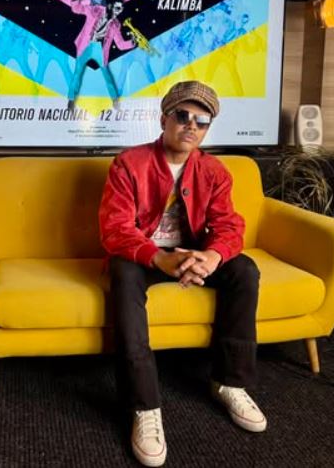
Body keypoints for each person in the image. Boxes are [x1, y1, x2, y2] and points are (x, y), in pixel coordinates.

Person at [99, 80, 266, 467]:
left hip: (192, 253)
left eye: (201, 121)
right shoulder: (129, 164)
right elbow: (115, 229)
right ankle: (143, 406)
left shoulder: (214, 171)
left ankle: (229, 381)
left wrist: (210, 256)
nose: (192, 125)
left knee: (244, 270)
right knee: (122, 274)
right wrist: (159, 259)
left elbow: (229, 226)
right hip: (144, 256)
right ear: (164, 120)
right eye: (182, 115)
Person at [67, 0, 135, 110]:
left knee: (107, 76)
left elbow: (120, 44)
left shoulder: (115, 25)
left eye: (121, 9)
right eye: (117, 8)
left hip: (100, 49)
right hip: (85, 45)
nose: (120, 11)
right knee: (77, 73)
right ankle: (71, 99)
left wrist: (132, 43)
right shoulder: (95, 10)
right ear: (109, 6)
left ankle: (115, 100)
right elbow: (76, 9)